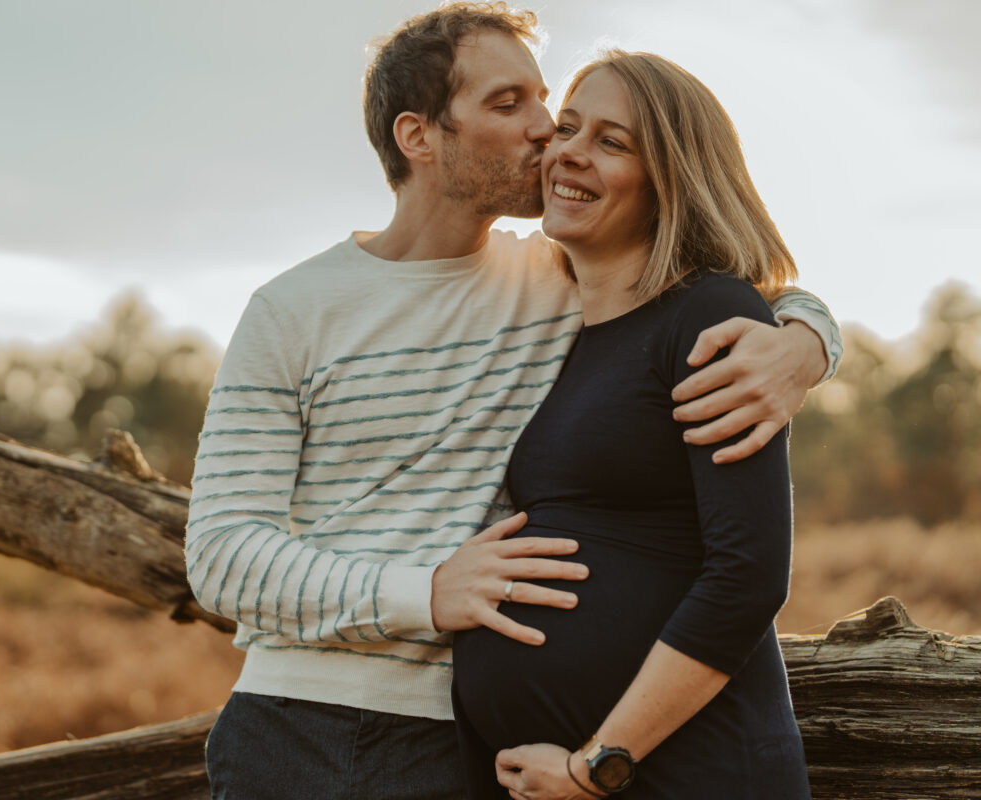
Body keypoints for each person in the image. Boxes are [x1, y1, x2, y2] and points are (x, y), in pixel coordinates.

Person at [184, 5, 839, 798]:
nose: (546, 133)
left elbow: (719, 282)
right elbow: (221, 555)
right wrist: (423, 592)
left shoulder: (554, 278)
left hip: (463, 745)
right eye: (511, 106)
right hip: (304, 725)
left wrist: (806, 342)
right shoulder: (292, 310)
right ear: (419, 136)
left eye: (546, 105)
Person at [451, 50, 814, 799]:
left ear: (671, 180)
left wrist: (598, 764)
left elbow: (747, 577)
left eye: (612, 143)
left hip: (687, 773)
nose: (569, 152)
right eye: (570, 127)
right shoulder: (556, 333)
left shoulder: (710, 316)